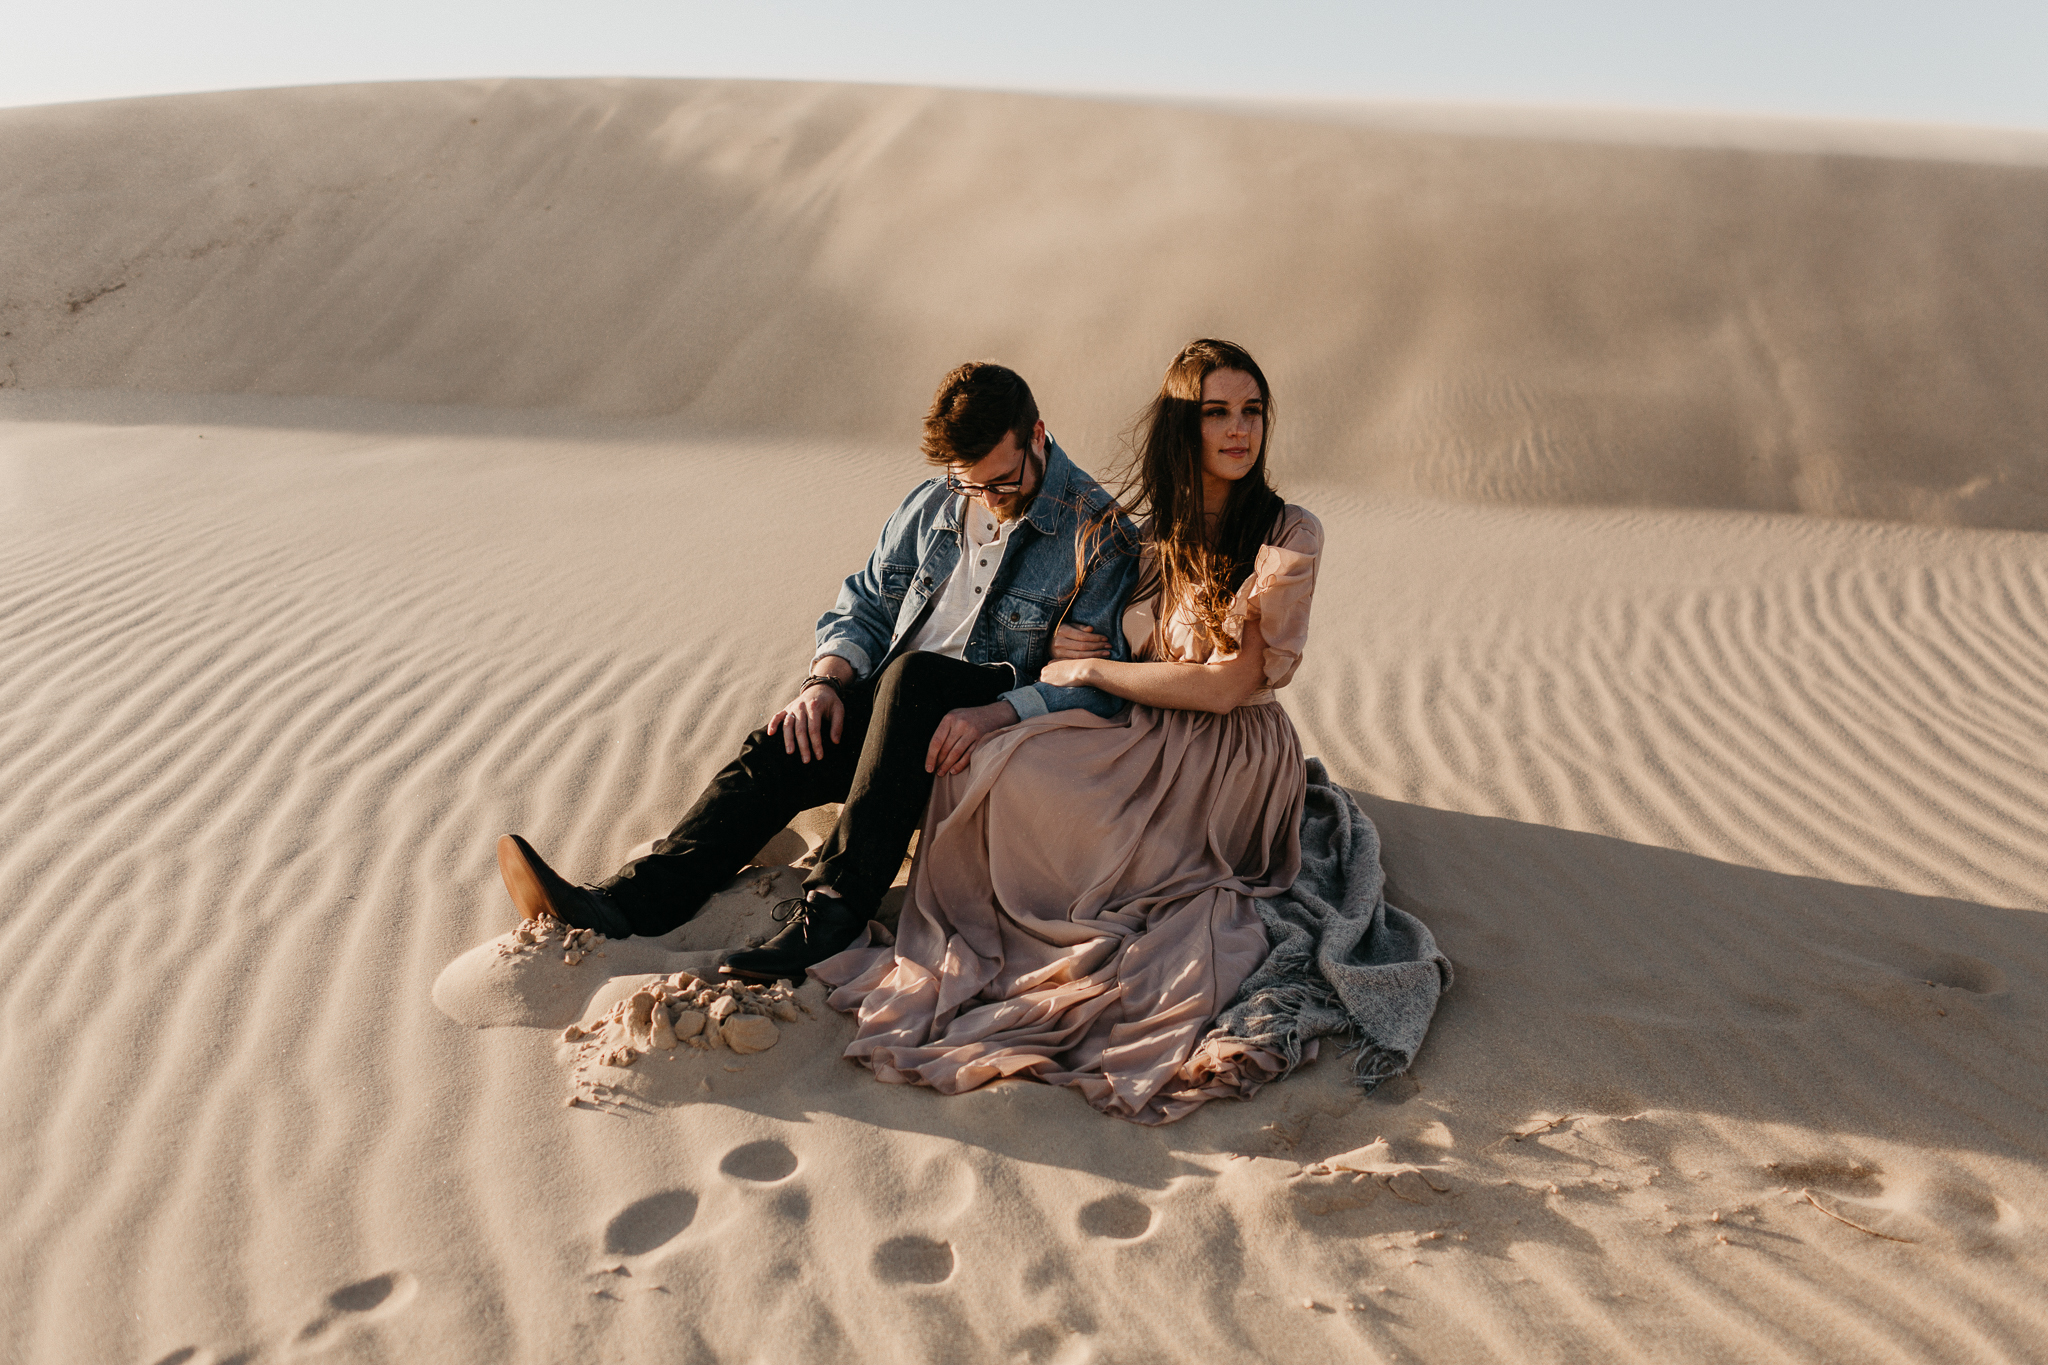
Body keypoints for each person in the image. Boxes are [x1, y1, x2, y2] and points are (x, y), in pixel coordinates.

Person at [812, 339, 1324, 1124]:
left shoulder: (1287, 532)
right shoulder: (1153, 534)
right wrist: (1070, 649)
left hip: (1229, 755)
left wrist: (1091, 671)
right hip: (1144, 728)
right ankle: (984, 910)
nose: (1238, 430)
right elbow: (1114, 645)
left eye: (1251, 411)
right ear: (1184, 426)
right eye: (1216, 412)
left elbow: (1225, 688)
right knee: (991, 753)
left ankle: (1051, 915)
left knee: (1042, 786)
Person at [496, 361, 1137, 982]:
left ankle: (830, 918)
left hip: (985, 736)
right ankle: (626, 903)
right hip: (896, 714)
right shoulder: (938, 503)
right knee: (784, 742)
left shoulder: (1097, 533)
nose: (987, 499)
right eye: (971, 484)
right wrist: (825, 682)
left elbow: (1101, 693)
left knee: (912, 678)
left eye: (1002, 481)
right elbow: (864, 604)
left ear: (1038, 435)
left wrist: (1000, 708)